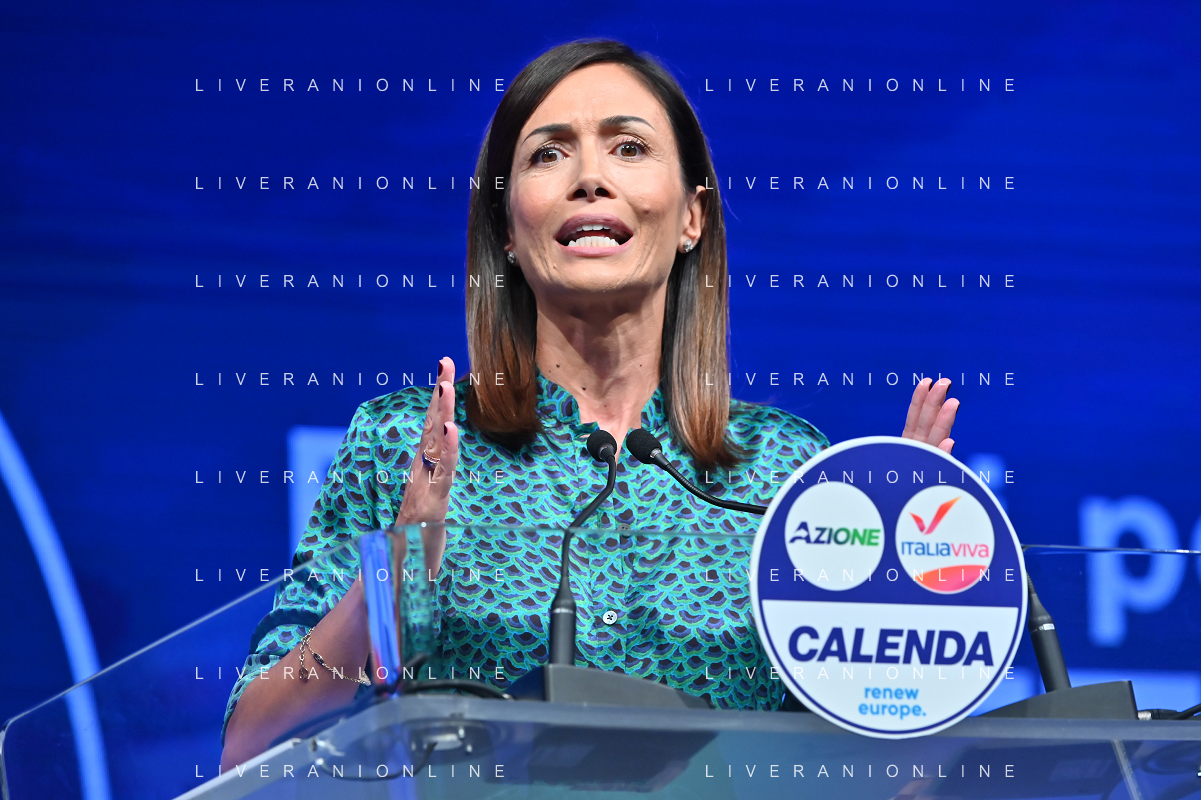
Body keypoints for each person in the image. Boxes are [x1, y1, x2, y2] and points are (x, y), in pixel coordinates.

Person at [219, 39, 959, 769]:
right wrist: (392, 575)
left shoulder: (787, 471)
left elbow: (858, 777)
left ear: (692, 216)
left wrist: (894, 617)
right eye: (548, 154)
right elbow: (250, 746)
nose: (590, 179)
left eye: (628, 148)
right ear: (508, 229)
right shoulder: (403, 446)